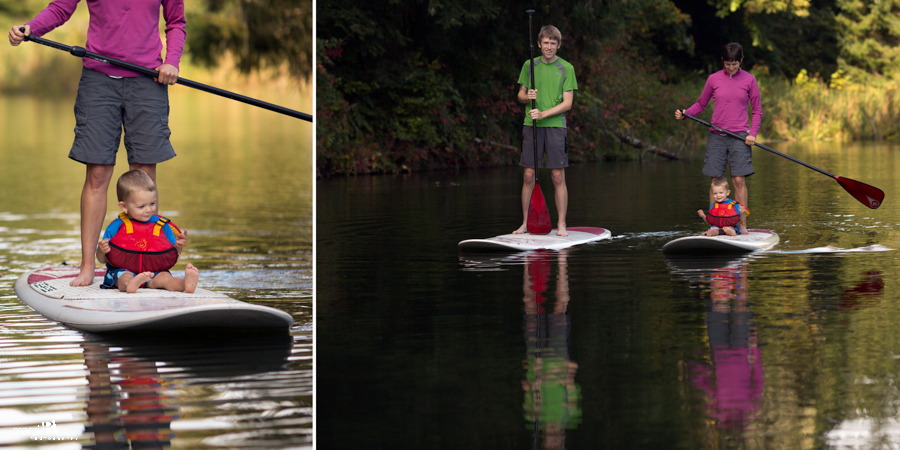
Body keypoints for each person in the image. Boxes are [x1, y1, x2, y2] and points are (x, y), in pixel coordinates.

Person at [8, 1, 186, 287]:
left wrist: (172, 61)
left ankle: (148, 265)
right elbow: (60, 8)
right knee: (97, 175)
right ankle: (88, 266)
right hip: (98, 80)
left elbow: (176, 22)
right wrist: (31, 28)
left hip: (148, 80)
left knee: (144, 176)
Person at [675, 42, 762, 234]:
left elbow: (757, 111)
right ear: (722, 61)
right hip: (716, 136)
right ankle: (715, 224)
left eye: (735, 64)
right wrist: (685, 113)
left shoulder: (749, 80)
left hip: (740, 136)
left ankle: (741, 225)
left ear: (741, 60)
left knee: (738, 181)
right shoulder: (713, 79)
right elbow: (700, 104)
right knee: (716, 180)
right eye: (727, 64)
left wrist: (752, 134)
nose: (731, 68)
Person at [513, 24, 577, 237]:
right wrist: (527, 97)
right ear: (539, 44)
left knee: (558, 176)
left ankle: (561, 225)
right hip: (530, 126)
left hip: (555, 126)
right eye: (545, 43)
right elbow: (520, 95)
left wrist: (544, 113)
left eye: (553, 43)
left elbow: (567, 103)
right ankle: (524, 223)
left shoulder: (566, 68)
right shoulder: (528, 65)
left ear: (558, 45)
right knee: (529, 176)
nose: (549, 47)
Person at [96, 169, 198, 294]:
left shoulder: (162, 225)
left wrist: (179, 246)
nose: (149, 210)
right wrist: (102, 250)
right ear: (124, 206)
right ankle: (130, 283)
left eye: (152, 203)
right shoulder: (116, 227)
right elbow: (102, 259)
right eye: (141, 206)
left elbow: (171, 256)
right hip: (123, 270)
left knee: (165, 278)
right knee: (123, 277)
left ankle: (184, 284)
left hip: (154, 272)